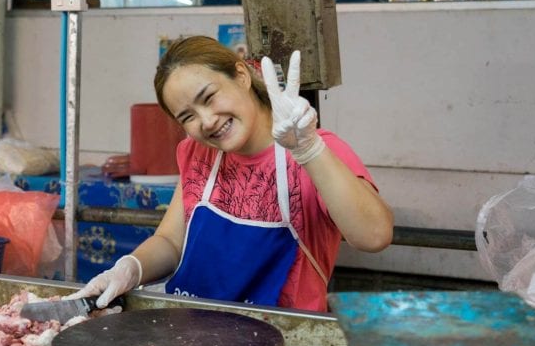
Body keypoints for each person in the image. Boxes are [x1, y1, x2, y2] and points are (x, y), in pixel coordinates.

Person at [69, 36, 393, 312]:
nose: (207, 120)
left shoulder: (316, 151)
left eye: (209, 98)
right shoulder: (197, 153)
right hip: (193, 330)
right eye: (188, 116)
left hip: (280, 345)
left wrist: (309, 151)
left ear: (241, 75)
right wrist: (130, 268)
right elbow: (170, 241)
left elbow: (375, 236)